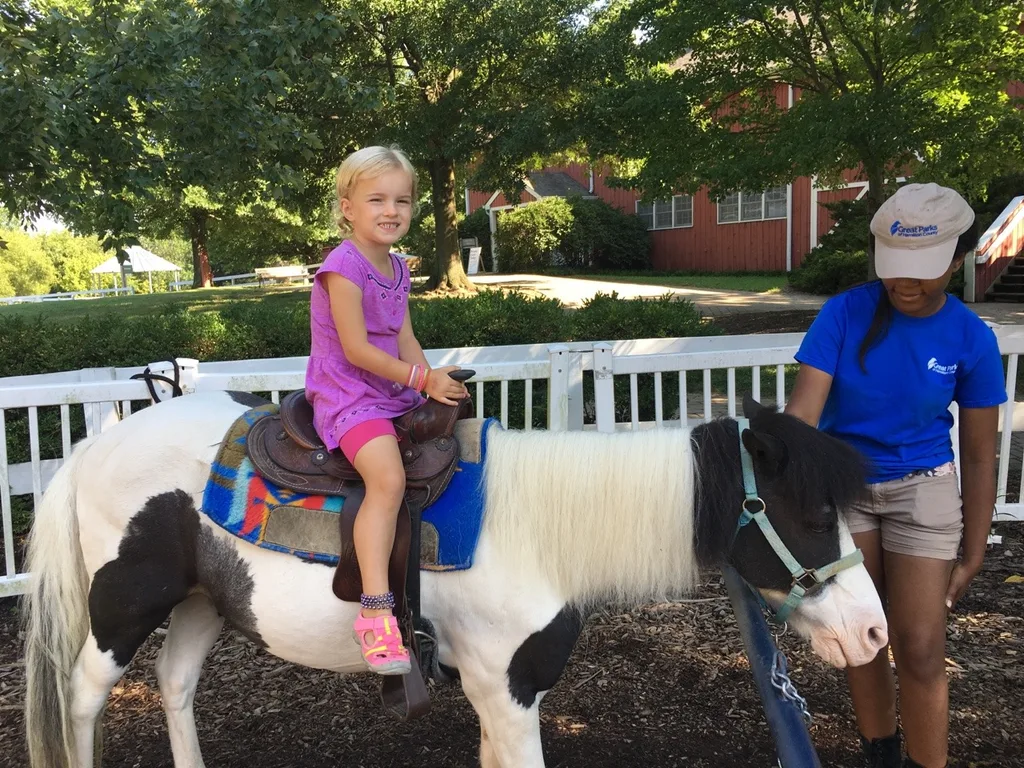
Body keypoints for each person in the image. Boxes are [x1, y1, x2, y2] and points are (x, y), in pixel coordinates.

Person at [784, 183, 1005, 768]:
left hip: (923, 490)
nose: (905, 283)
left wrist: (974, 549)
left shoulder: (970, 337)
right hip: (846, 487)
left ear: (957, 260)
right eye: (895, 267)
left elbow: (979, 454)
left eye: (922, 270)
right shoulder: (845, 313)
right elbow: (802, 418)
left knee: (922, 649)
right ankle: (880, 755)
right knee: (865, 638)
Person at [304, 145, 468, 675]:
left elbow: (403, 337)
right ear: (347, 207)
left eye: (402, 200)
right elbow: (356, 350)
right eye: (376, 199)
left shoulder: (397, 267)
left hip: (391, 388)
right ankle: (376, 612)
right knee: (388, 479)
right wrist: (420, 379)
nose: (391, 210)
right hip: (348, 393)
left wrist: (432, 383)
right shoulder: (342, 267)